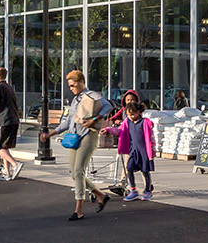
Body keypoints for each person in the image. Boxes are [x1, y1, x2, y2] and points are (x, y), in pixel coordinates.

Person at [51, 69, 112, 220]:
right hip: (74, 136)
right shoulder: (74, 101)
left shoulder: (91, 95)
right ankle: (100, 195)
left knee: (79, 171)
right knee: (74, 172)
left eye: (73, 85)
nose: (71, 88)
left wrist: (94, 119)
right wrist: (52, 133)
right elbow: (68, 121)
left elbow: (108, 106)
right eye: (69, 86)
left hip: (89, 135)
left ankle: (78, 210)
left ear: (81, 82)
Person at [111, 99, 157, 201]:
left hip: (144, 152)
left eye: (132, 114)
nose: (130, 117)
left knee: (145, 171)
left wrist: (151, 153)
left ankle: (148, 191)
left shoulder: (144, 122)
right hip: (133, 151)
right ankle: (133, 190)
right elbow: (119, 130)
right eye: (128, 115)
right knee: (129, 168)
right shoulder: (127, 122)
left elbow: (150, 127)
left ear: (138, 112)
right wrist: (108, 130)